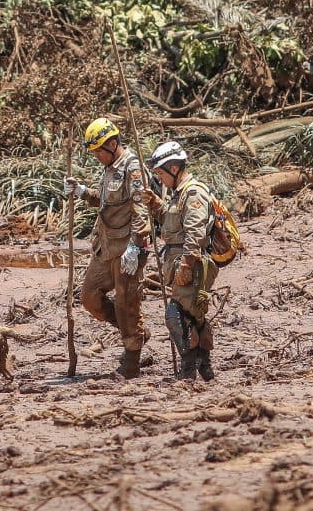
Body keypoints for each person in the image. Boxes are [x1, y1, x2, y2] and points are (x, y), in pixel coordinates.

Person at [63, 118, 151, 379]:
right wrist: (80, 191)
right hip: (105, 246)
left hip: (127, 248)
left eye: (99, 150)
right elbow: (105, 202)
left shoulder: (132, 169)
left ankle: (132, 359)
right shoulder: (110, 167)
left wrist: (136, 246)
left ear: (113, 144)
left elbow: (141, 211)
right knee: (89, 297)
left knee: (127, 302)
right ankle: (133, 331)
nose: (96, 156)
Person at [142, 141, 217, 380]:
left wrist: (186, 264)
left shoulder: (193, 192)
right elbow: (172, 221)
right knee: (193, 317)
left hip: (191, 265)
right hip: (179, 262)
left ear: (174, 169)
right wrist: (155, 205)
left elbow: (195, 233)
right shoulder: (178, 194)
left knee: (176, 316)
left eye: (161, 174)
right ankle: (203, 368)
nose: (160, 179)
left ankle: (188, 372)